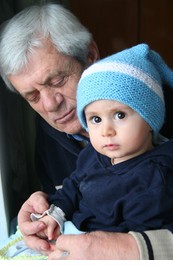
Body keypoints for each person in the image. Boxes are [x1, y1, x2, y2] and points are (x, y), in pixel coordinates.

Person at [0, 3, 173, 260]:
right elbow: (78, 188)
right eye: (33, 96)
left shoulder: (154, 109)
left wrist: (133, 249)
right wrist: (47, 204)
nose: (50, 105)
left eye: (57, 80)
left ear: (90, 55)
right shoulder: (51, 134)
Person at [30, 44, 173, 252]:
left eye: (120, 115)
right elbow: (74, 185)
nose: (106, 131)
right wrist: (56, 213)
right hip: (74, 236)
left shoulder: (156, 177)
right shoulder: (93, 154)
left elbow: (128, 243)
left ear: (149, 118)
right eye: (95, 119)